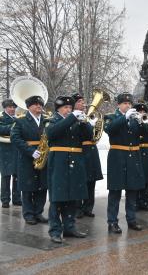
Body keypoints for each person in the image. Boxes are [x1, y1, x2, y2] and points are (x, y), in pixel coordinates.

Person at [46, 96, 91, 243]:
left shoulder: (75, 121)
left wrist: (85, 123)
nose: (68, 110)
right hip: (58, 162)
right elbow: (52, 133)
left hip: (75, 162)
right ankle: (55, 231)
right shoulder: (51, 120)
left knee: (73, 196)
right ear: (58, 109)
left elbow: (89, 136)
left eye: (70, 108)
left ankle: (70, 227)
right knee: (57, 198)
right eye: (65, 108)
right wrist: (72, 117)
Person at [104, 93, 148, 234]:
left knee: (132, 191)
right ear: (118, 105)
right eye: (125, 103)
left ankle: (131, 220)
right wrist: (124, 117)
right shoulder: (111, 117)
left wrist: (144, 122)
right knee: (115, 192)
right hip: (117, 157)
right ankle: (112, 222)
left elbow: (147, 133)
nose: (128, 106)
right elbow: (110, 129)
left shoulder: (135, 119)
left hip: (133, 158)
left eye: (130, 104)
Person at [11, 96, 48, 225]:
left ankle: (38, 212)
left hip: (44, 156)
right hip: (27, 158)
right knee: (28, 187)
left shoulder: (46, 120)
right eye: (36, 104)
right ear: (29, 107)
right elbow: (15, 139)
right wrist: (30, 151)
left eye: (40, 104)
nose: (39, 106)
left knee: (43, 186)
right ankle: (28, 214)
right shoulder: (21, 121)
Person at [71, 93, 103, 218]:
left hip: (92, 151)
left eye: (83, 102)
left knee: (91, 181)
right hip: (80, 150)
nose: (83, 104)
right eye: (79, 102)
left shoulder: (89, 116)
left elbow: (95, 136)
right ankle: (77, 208)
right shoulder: (72, 117)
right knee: (80, 181)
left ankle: (88, 207)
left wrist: (94, 124)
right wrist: (83, 123)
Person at [0, 99, 21, 208]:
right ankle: (5, 200)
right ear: (5, 108)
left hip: (16, 150)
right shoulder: (1, 117)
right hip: (5, 151)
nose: (12, 109)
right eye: (10, 107)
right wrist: (13, 127)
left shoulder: (18, 118)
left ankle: (17, 199)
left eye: (14, 107)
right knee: (6, 176)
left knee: (17, 175)